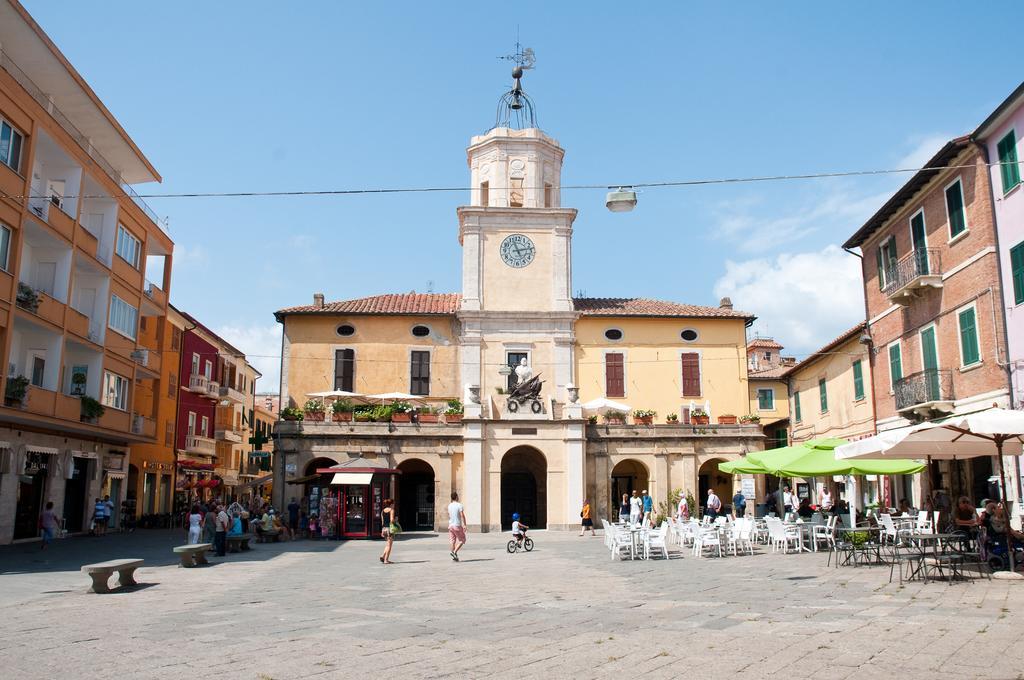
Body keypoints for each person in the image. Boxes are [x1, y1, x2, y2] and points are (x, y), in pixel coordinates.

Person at [447, 491, 467, 562]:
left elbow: (449, 515)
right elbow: (462, 515)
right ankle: (454, 552)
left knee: (452, 541)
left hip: (451, 525)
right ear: (456, 497)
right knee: (462, 540)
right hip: (457, 525)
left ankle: (454, 557)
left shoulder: (449, 505)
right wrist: (464, 524)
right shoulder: (459, 505)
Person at [380, 499, 397, 564]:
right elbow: (391, 520)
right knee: (390, 545)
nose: (394, 505)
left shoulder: (382, 511)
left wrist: (382, 531)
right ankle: (386, 560)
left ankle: (382, 556)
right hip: (389, 529)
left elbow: (382, 522)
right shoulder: (391, 510)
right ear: (391, 504)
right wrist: (396, 521)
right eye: (394, 504)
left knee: (388, 544)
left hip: (384, 528)